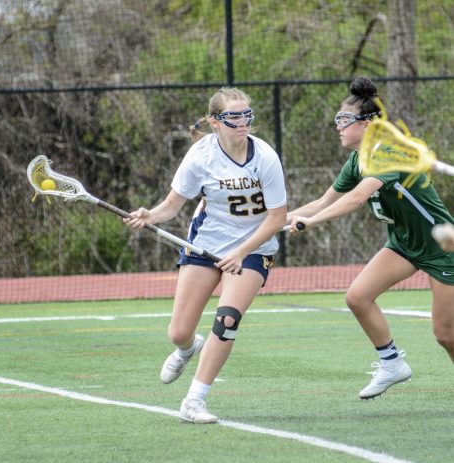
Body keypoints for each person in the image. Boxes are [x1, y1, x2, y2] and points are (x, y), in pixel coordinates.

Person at [125, 87, 287, 422]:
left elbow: (277, 218)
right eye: (233, 117)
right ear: (215, 121)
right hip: (206, 245)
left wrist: (242, 252)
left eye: (247, 116)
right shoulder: (201, 156)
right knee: (179, 331)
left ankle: (194, 401)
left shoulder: (266, 157)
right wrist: (149, 215)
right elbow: (172, 205)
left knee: (227, 320)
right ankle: (187, 348)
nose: (242, 123)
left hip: (254, 249)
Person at [287, 76, 454, 400]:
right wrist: (276, 219)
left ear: (368, 124)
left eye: (344, 120)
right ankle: (392, 364)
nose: (338, 126)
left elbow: (355, 199)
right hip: (405, 244)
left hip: (442, 247)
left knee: (446, 335)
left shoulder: (388, 154)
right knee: (357, 297)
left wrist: (311, 223)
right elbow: (324, 202)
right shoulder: (357, 160)